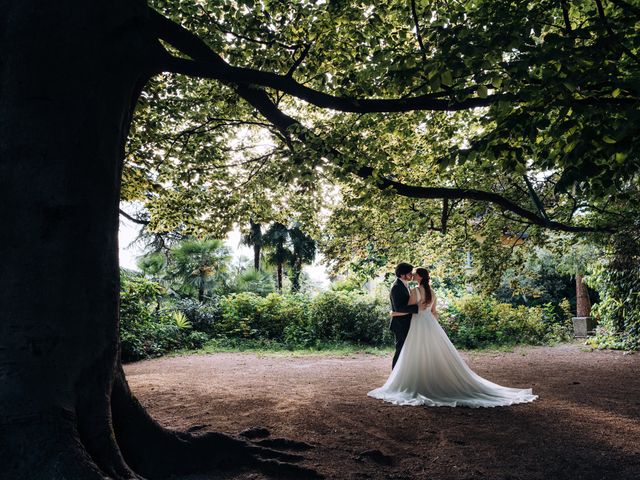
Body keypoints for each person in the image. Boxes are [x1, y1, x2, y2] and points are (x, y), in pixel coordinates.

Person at [369, 267, 538, 407]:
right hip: (430, 323)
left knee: (413, 351)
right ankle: (427, 378)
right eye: (410, 273)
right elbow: (434, 312)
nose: (412, 275)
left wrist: (393, 312)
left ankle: (410, 380)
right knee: (431, 351)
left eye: (414, 273)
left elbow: (410, 308)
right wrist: (433, 326)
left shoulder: (414, 290)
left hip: (418, 323)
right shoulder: (432, 292)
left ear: (419, 277)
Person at [388, 262, 426, 370]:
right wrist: (417, 308)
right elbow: (399, 307)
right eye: (409, 273)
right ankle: (395, 375)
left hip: (405, 322)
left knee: (406, 350)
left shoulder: (405, 284)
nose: (411, 275)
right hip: (400, 324)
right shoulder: (396, 287)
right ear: (402, 274)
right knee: (400, 349)